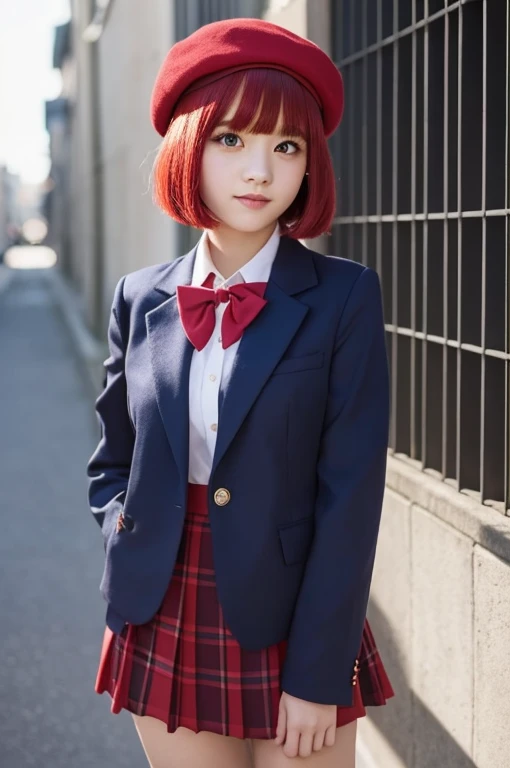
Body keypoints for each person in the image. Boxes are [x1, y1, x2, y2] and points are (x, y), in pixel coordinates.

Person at [86, 17, 394, 768]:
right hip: (163, 606)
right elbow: (111, 462)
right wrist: (130, 551)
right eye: (232, 140)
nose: (260, 171)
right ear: (189, 146)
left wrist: (318, 674)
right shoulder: (140, 296)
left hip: (299, 612)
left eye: (285, 147)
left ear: (309, 165)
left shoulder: (344, 297)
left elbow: (351, 496)